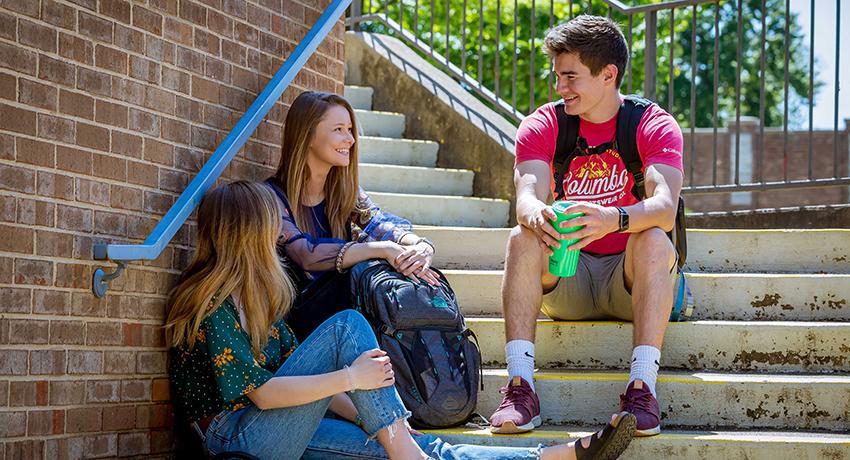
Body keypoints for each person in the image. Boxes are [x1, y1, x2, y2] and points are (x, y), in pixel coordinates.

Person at [166, 180, 637, 459]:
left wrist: (385, 418)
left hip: (277, 429)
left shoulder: (263, 295)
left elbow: (300, 388)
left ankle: (555, 457)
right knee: (348, 327)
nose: (277, 234)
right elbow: (265, 395)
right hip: (237, 441)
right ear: (246, 233)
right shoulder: (211, 304)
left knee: (403, 447)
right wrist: (349, 378)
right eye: (270, 225)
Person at [489, 15, 684, 438]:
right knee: (521, 237)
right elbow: (526, 191)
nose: (561, 88)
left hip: (628, 279)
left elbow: (665, 207)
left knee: (653, 237)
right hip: (568, 273)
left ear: (608, 74)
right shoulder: (544, 124)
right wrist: (533, 211)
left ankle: (642, 389)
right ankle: (521, 387)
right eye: (558, 76)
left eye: (571, 77)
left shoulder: (651, 124)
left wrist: (612, 219)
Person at [266, 91, 440, 342]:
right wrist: (379, 249)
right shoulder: (271, 197)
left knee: (403, 276)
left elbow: (381, 224)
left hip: (346, 317)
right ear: (308, 135)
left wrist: (421, 246)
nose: (350, 139)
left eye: (350, 129)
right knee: (366, 273)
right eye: (339, 129)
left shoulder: (345, 192)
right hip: (297, 324)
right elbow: (306, 254)